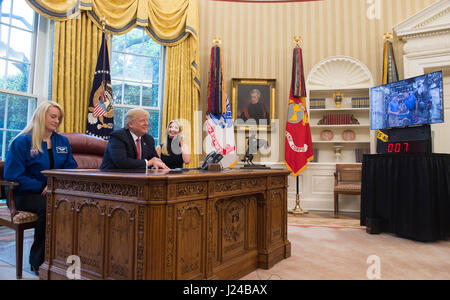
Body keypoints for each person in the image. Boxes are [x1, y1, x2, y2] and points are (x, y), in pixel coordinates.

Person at [4, 101, 78, 275]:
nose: (56, 121)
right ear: (40, 116)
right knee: (50, 206)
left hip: (54, 192)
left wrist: (54, 185)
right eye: (52, 116)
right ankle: (39, 261)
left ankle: (62, 257)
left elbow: (71, 166)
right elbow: (13, 175)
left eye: (58, 118)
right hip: (24, 195)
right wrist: (41, 186)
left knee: (73, 204)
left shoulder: (62, 141)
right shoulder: (22, 141)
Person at [100, 108, 168, 170]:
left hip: (139, 178)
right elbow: (122, 162)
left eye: (147, 121)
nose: (146, 124)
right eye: (142, 121)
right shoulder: (118, 136)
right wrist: (148, 163)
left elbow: (154, 159)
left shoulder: (148, 139)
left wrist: (160, 165)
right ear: (130, 124)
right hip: (112, 178)